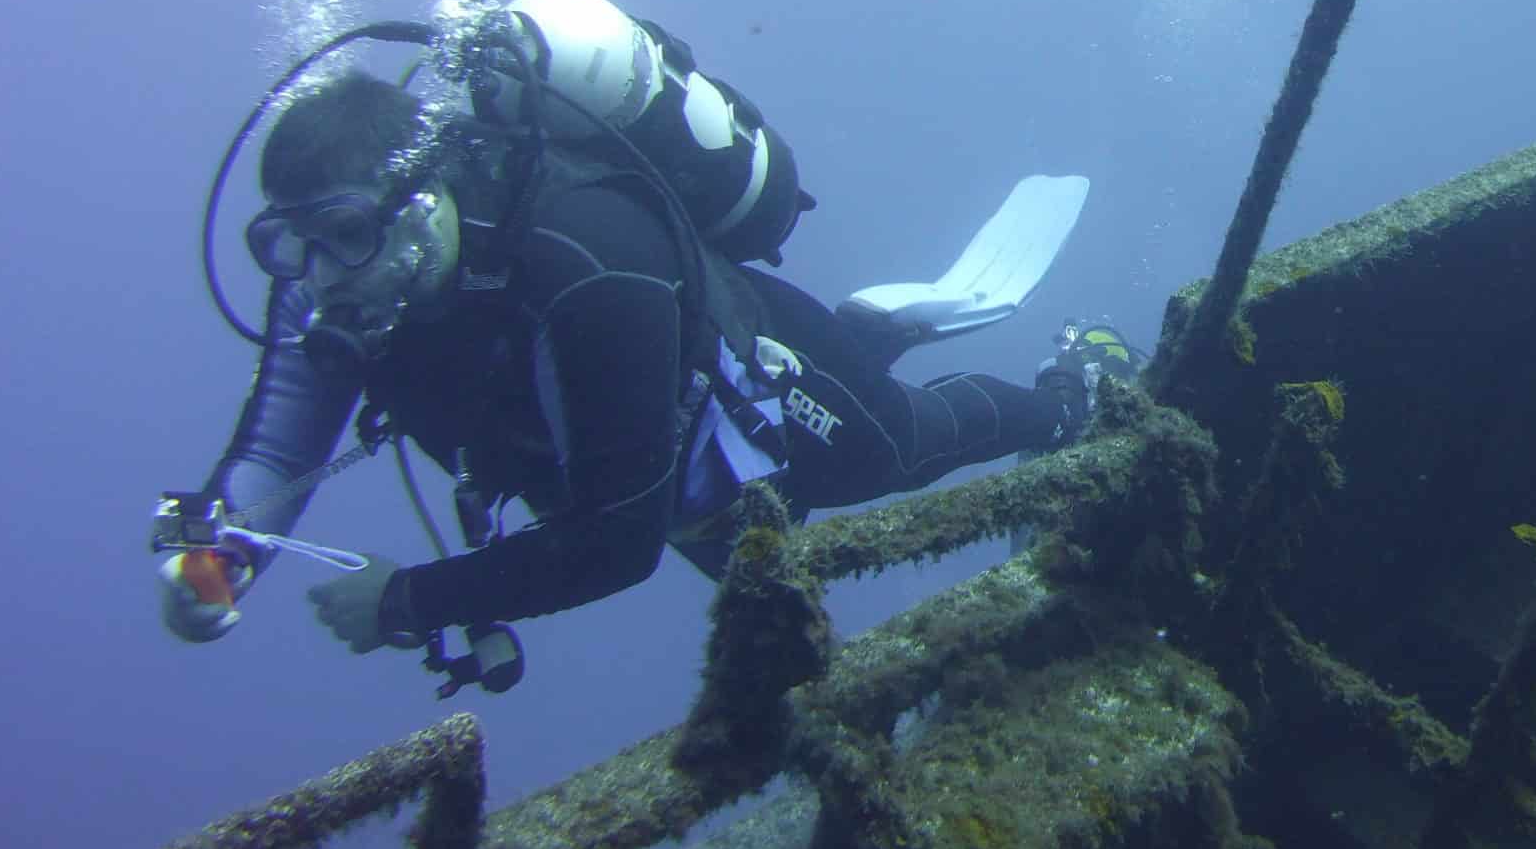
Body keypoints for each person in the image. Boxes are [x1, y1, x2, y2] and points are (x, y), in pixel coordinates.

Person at [156, 54, 1142, 665]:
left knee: (894, 449)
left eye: (342, 235)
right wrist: (220, 558)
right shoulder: (337, 288)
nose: (320, 278)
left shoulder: (582, 264)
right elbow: (278, 453)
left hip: (741, 373)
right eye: (285, 248)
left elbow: (617, 546)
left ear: (416, 202)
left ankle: (1073, 384)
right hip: (652, 465)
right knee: (760, 587)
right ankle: (867, 335)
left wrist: (409, 600)